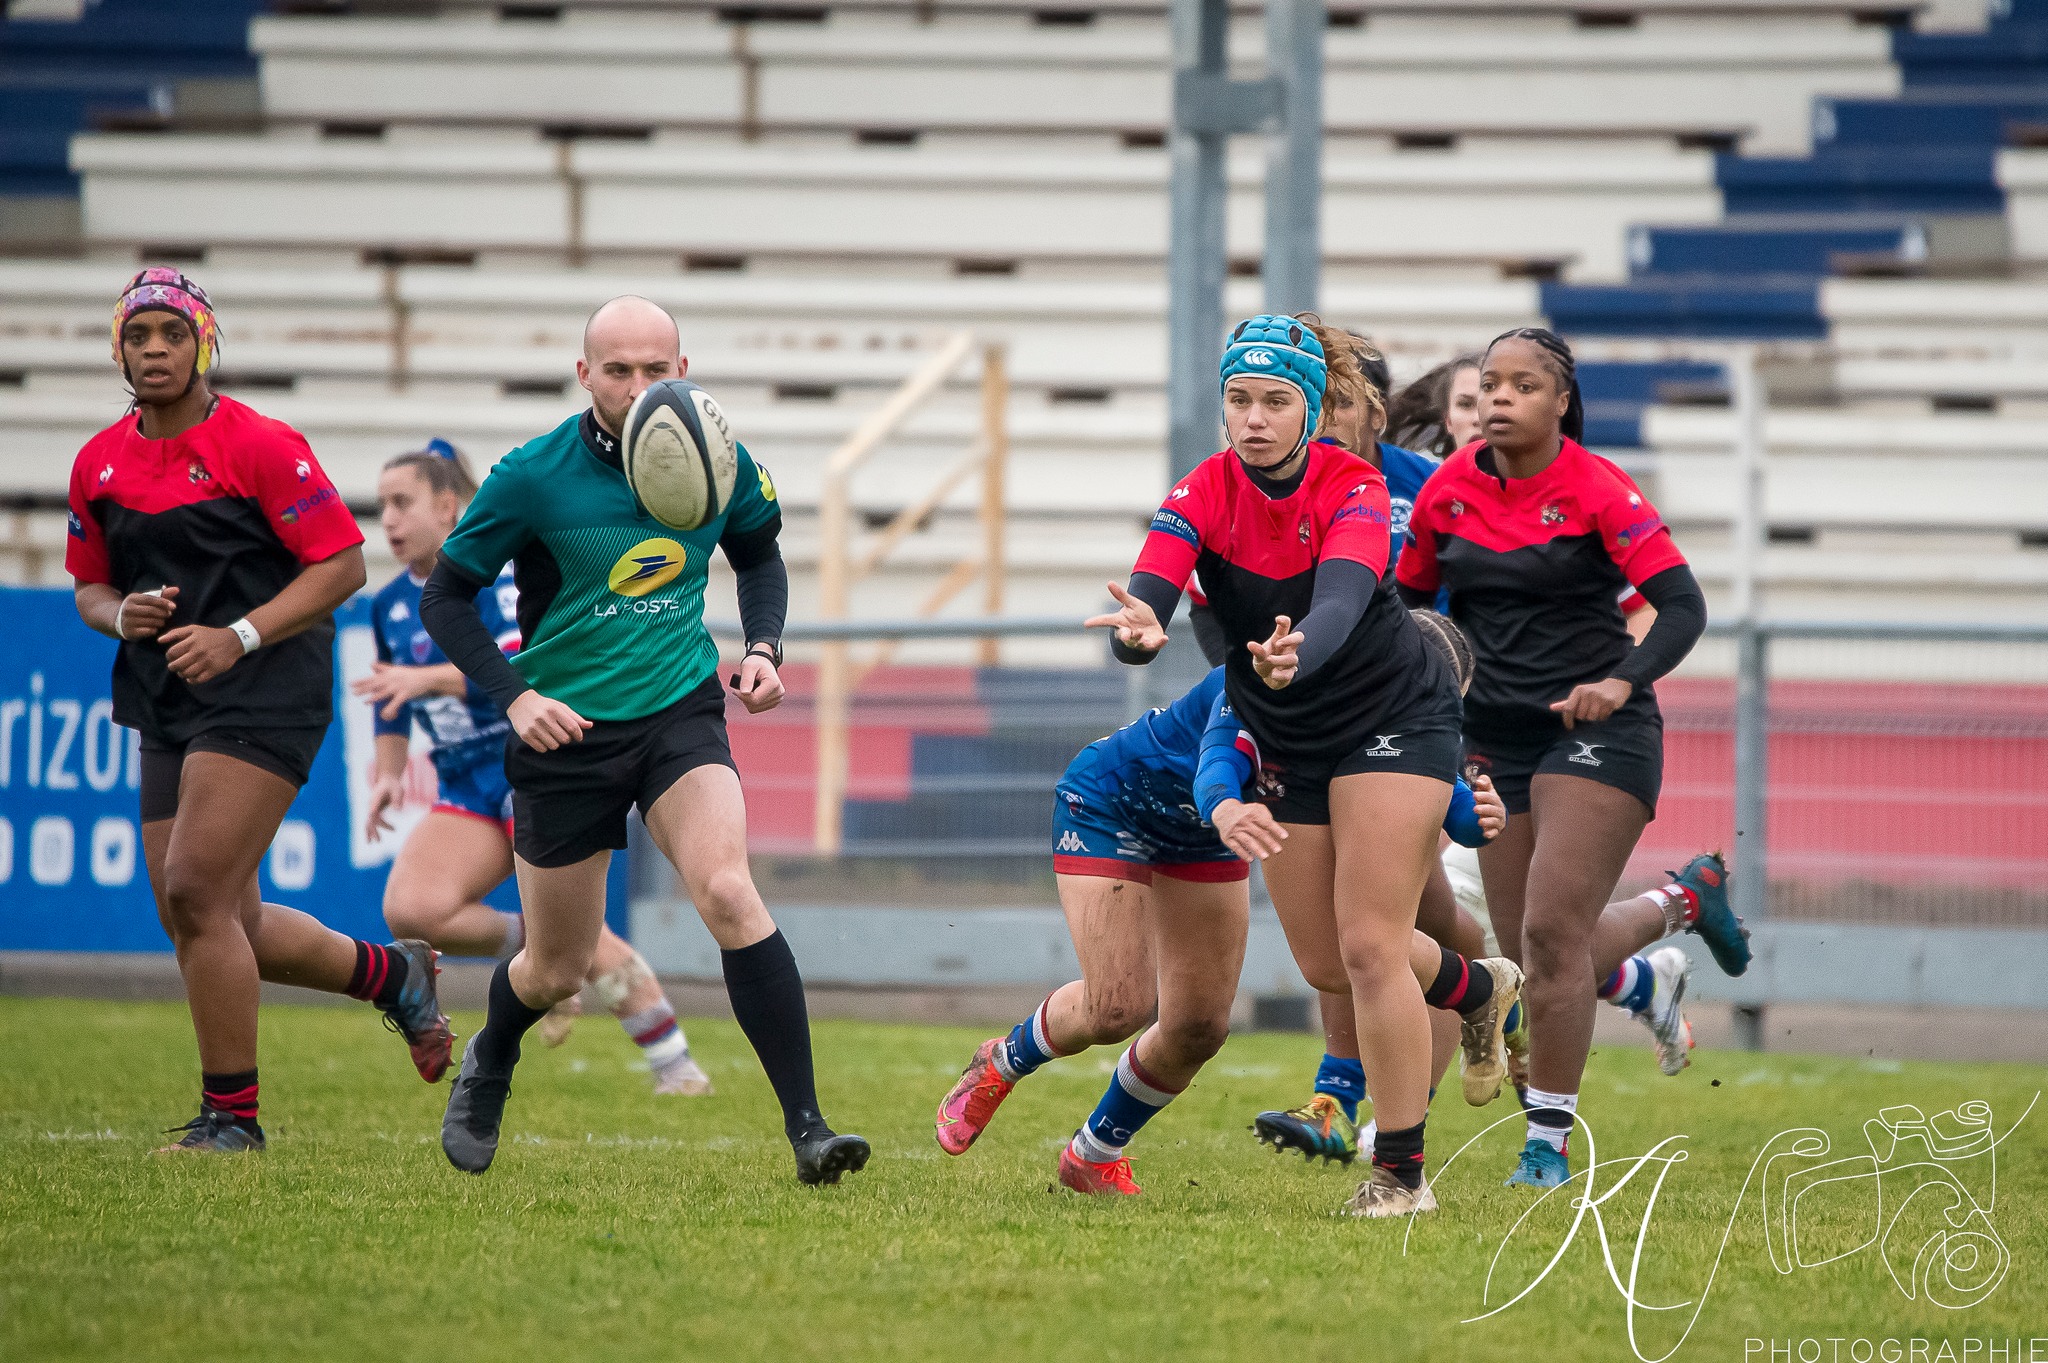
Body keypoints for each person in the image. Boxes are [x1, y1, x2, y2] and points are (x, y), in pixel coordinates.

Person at [421, 295, 865, 1183]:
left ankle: (810, 1131)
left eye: (654, 368)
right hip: (564, 732)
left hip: (677, 712)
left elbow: (761, 555)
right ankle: (491, 1057)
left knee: (731, 891)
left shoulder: (720, 455)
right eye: (616, 370)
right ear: (585, 376)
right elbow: (445, 597)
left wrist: (765, 650)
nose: (636, 386)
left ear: (683, 371)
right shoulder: (533, 475)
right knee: (555, 967)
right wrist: (513, 698)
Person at [1085, 313, 1485, 1218]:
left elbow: (1344, 595)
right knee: (1326, 964)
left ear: (1310, 408)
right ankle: (1479, 985)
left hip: (1393, 714)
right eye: (1239, 399)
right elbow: (1152, 586)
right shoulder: (1202, 490)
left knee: (1371, 942)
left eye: (1275, 401)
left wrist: (1296, 647)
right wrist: (1141, 630)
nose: (1254, 417)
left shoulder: (1350, 483)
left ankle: (1400, 1177)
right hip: (1289, 726)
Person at [66, 268, 451, 1154]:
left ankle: (232, 1122)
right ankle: (395, 975)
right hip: (168, 691)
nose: (154, 349)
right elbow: (89, 585)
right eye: (138, 336)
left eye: (171, 333)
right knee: (212, 916)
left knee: (196, 888)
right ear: (118, 349)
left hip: (266, 682)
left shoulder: (261, 443)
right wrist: (117, 614)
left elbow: (343, 566)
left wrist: (237, 634)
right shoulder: (99, 460)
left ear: (204, 343)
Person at [931, 665, 1519, 1196]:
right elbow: (1218, 762)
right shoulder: (1276, 675)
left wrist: (1482, 813)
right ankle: (1001, 1061)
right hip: (1116, 804)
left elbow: (1455, 812)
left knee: (1198, 1028)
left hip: (1209, 836)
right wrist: (1225, 806)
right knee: (1117, 1009)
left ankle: (1092, 1156)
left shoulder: (1396, 719)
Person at [1395, 326, 1750, 1191]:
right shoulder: (1447, 492)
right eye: (1488, 385)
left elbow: (1682, 605)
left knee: (1552, 939)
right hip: (1496, 742)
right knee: (1536, 958)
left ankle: (1546, 1148)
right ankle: (1681, 899)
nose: (1500, 399)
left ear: (1562, 403)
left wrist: (1622, 683)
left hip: (1599, 733)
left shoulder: (1597, 487)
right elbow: (1405, 608)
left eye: (1523, 385)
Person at [356, 441, 713, 1097]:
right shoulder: (387, 605)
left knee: (587, 935)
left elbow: (523, 670)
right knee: (411, 907)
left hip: (532, 762)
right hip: (467, 781)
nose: (389, 520)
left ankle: (674, 1061)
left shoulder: (497, 578)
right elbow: (390, 702)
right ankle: (539, 949)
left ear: (447, 507)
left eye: (402, 503)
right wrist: (388, 771)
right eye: (381, 506)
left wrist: (426, 678)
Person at [1383, 353, 1483, 459]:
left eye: (1491, 404)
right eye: (1465, 404)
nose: (1478, 419)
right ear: (1448, 420)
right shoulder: (1426, 473)